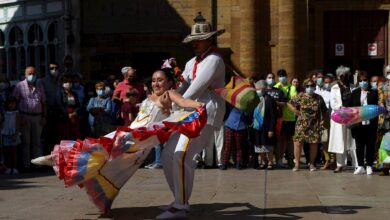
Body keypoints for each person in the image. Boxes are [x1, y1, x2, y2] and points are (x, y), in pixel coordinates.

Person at [31, 68, 204, 213]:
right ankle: (59, 158)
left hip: (139, 138)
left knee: (103, 152)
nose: (156, 83)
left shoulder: (169, 94)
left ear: (169, 83)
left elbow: (182, 101)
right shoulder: (150, 95)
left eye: (160, 80)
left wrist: (197, 106)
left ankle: (60, 159)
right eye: (153, 80)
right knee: (100, 150)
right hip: (131, 134)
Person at [159, 12, 226, 219]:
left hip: (206, 114)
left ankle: (180, 206)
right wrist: (168, 88)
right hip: (188, 114)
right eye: (193, 41)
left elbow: (195, 89)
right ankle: (179, 200)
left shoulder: (214, 59)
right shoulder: (190, 63)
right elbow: (183, 84)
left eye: (200, 40)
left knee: (182, 155)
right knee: (168, 155)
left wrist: (173, 100)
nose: (195, 44)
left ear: (210, 39)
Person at [287, 79, 327, 171]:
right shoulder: (300, 96)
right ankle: (297, 163)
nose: (310, 88)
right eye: (307, 86)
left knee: (313, 144)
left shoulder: (318, 97)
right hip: (301, 124)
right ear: (305, 87)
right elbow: (289, 103)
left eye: (312, 85)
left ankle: (312, 163)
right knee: (298, 144)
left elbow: (324, 110)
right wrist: (295, 110)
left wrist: (322, 120)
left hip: (314, 124)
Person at [13, 66, 46, 172]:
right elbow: (14, 102)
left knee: (37, 142)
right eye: (29, 73)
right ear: (25, 74)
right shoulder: (19, 86)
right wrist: (19, 117)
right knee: (25, 142)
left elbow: (44, 102)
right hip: (24, 116)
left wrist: (44, 117)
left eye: (33, 73)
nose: (32, 76)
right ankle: (26, 164)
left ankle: (37, 164)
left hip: (37, 117)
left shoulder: (40, 86)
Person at [328, 66, 357, 173]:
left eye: (345, 75)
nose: (343, 77)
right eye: (341, 75)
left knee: (352, 140)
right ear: (338, 76)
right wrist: (341, 109)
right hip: (339, 116)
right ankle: (340, 164)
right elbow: (333, 103)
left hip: (351, 116)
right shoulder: (334, 87)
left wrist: (350, 110)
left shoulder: (353, 87)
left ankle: (356, 164)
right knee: (339, 140)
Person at [350, 71, 378, 175]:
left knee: (370, 144)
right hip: (358, 123)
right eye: (361, 80)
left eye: (365, 80)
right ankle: (360, 165)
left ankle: (369, 165)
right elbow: (349, 106)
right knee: (359, 145)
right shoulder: (355, 92)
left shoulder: (374, 92)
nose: (363, 82)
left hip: (371, 123)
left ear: (368, 81)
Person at [274, 69, 297, 168]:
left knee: (289, 140)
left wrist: (282, 102)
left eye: (283, 75)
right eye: (280, 75)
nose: (281, 77)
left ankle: (291, 159)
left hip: (290, 118)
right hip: (279, 117)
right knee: (280, 140)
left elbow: (294, 100)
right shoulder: (275, 87)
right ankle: (279, 160)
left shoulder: (292, 87)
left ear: (286, 76)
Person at [252, 80, 277, 169]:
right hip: (257, 126)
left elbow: (274, 116)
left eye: (258, 89)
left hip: (267, 126)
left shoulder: (270, 100)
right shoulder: (255, 99)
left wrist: (271, 129)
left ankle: (270, 162)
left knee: (268, 145)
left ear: (263, 88)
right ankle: (263, 162)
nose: (257, 90)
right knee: (259, 145)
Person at [38, 61, 61, 154]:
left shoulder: (60, 80)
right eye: (52, 68)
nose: (54, 70)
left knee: (57, 136)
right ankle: (47, 155)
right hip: (47, 112)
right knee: (47, 136)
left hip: (59, 112)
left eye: (56, 68)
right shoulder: (42, 81)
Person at [55, 75, 80, 140]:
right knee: (64, 135)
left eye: (70, 82)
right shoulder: (59, 93)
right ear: (62, 83)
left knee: (74, 134)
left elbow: (78, 105)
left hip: (74, 117)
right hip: (63, 117)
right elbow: (59, 105)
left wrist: (75, 113)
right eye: (66, 82)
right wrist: (67, 115)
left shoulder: (74, 93)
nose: (68, 83)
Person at [1, 96, 21, 174]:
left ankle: (15, 167)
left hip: (14, 134)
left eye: (13, 103)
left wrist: (16, 134)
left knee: (14, 151)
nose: (11, 105)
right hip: (6, 133)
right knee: (7, 151)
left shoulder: (16, 113)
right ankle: (8, 167)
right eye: (10, 104)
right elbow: (3, 123)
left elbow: (18, 124)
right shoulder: (4, 113)